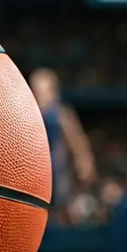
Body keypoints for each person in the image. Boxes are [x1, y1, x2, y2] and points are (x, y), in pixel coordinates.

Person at [30, 68, 96, 223]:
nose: (40, 97)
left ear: (54, 92)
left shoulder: (61, 115)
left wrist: (83, 161)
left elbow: (78, 144)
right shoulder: (28, 116)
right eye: (36, 92)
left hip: (59, 177)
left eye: (44, 92)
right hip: (37, 178)